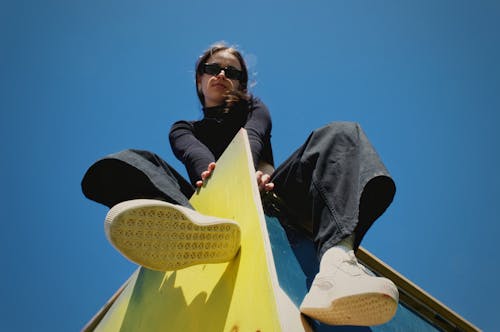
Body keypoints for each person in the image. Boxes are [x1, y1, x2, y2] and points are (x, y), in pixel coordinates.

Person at [81, 42, 398, 326]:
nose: (220, 73)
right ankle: (196, 229)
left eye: (230, 71)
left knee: (341, 134)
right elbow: (194, 154)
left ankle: (337, 265)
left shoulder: (254, 107)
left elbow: (254, 136)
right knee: (122, 163)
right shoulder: (183, 127)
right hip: (206, 203)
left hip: (270, 194)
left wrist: (247, 175)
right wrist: (215, 178)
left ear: (241, 83)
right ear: (199, 80)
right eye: (212, 68)